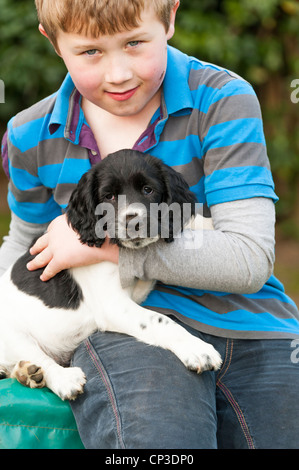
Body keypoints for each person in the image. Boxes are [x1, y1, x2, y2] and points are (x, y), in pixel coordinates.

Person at [1, 0, 299, 449]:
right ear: (51, 40)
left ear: (171, 18)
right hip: (124, 329)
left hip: (250, 319)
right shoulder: (28, 133)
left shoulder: (222, 99)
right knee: (163, 442)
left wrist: (108, 250)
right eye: (90, 52)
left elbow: (249, 259)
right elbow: (23, 246)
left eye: (135, 43)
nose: (118, 73)